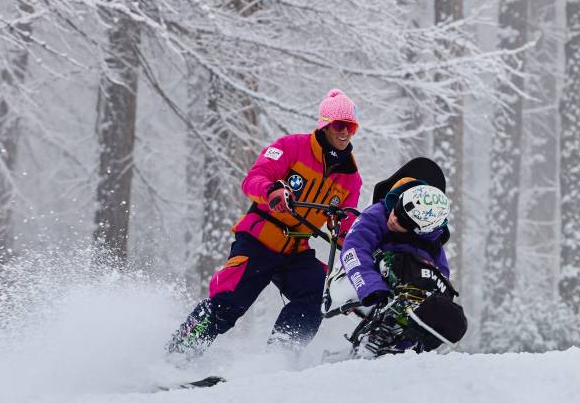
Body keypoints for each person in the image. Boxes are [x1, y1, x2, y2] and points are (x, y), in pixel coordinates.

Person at [167, 89, 364, 356]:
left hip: (295, 251)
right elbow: (254, 178)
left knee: (318, 291)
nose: (344, 133)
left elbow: (344, 226)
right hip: (258, 241)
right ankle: (178, 356)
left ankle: (279, 357)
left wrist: (359, 241)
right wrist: (272, 191)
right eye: (339, 125)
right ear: (325, 125)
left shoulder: (350, 178)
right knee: (229, 302)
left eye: (350, 127)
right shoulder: (290, 147)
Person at [337, 157, 467, 353]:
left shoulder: (432, 244)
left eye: (404, 222)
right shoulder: (378, 214)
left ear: (420, 230)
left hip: (408, 295)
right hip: (364, 281)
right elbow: (354, 249)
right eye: (397, 210)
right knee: (399, 262)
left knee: (442, 305)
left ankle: (407, 345)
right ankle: (377, 337)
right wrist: (371, 285)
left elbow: (442, 278)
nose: (394, 219)